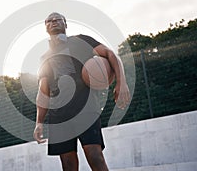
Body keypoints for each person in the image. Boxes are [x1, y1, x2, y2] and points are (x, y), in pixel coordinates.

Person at [33, 12, 131, 171]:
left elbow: (110, 54)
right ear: (45, 27)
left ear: (66, 24)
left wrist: (122, 83)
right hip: (59, 115)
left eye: (58, 19)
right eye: (49, 21)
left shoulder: (81, 40)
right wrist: (39, 122)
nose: (53, 22)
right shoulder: (44, 57)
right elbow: (43, 91)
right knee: (68, 165)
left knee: (95, 156)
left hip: (85, 108)